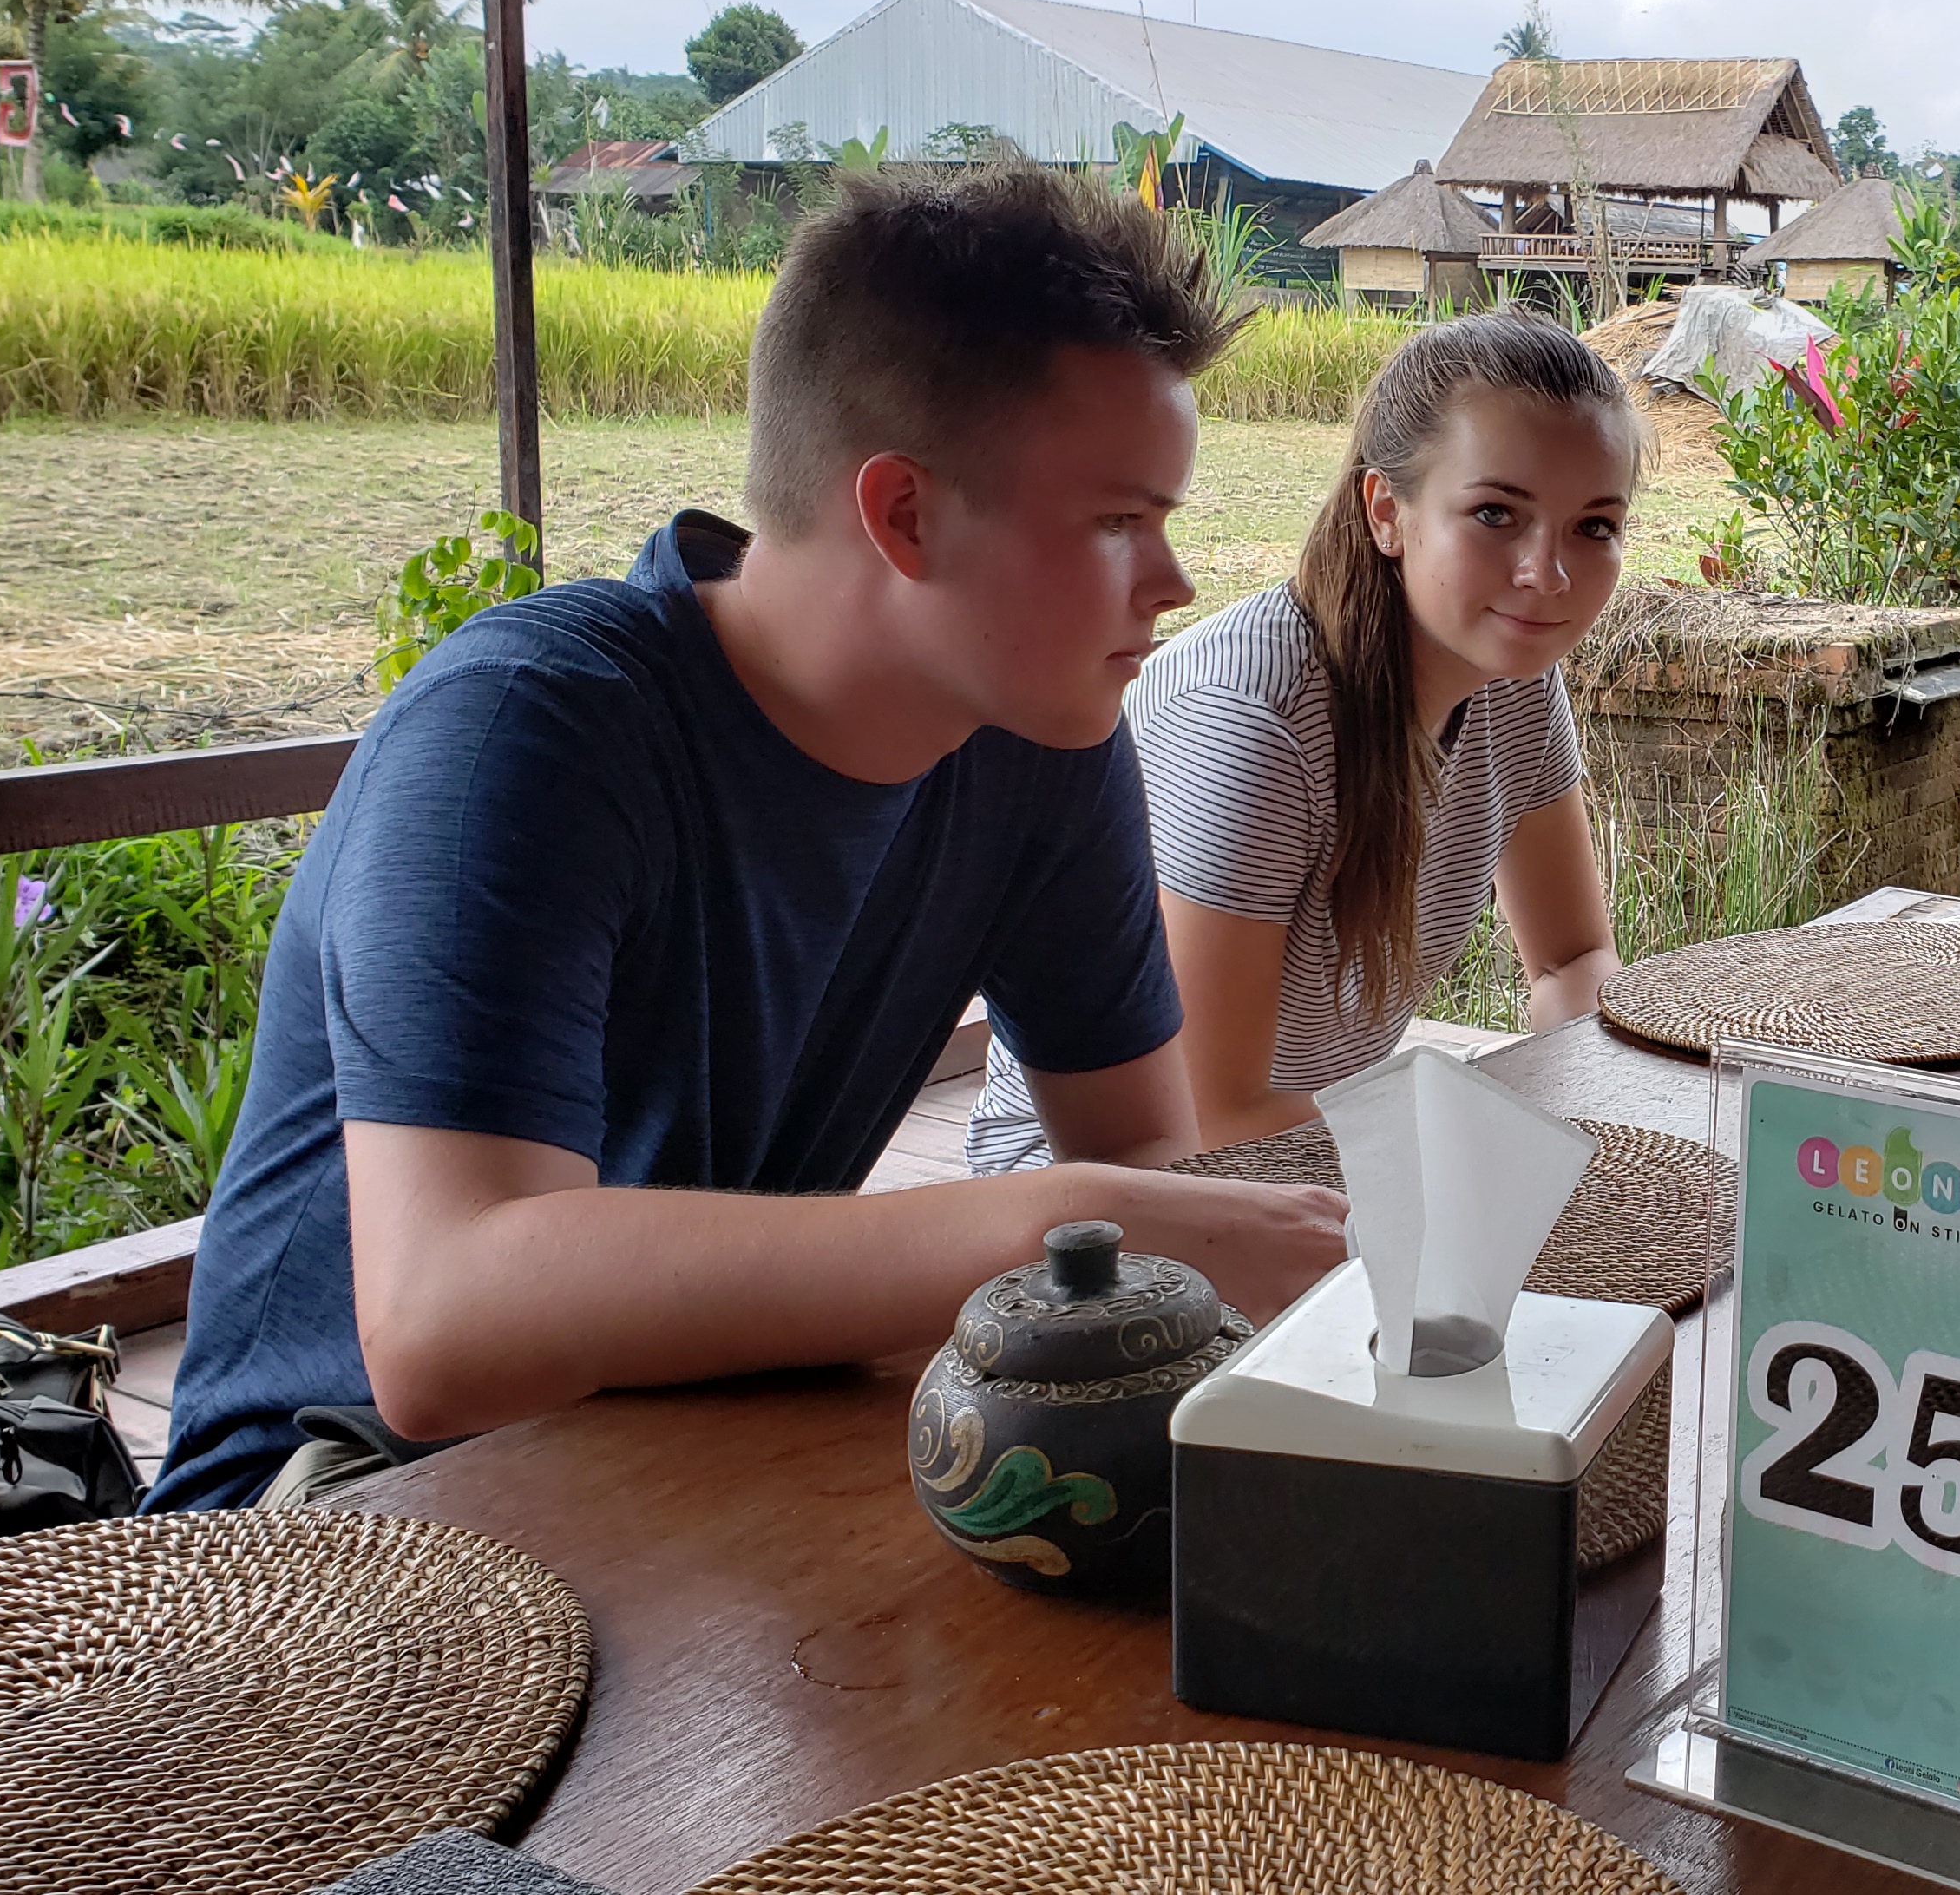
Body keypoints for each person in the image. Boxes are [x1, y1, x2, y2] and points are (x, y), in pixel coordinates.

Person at [153, 161, 1351, 1515]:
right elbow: (444, 1324)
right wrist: (1038, 1227)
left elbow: (1136, 1164)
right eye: (1118, 522)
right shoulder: (532, 730)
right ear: (902, 513)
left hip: (705, 1437)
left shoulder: (1036, 741)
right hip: (342, 1508)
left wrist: (1125, 1236)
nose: (1174, 581)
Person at [966, 311, 1633, 1169]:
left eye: (1595, 526)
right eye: (1497, 514)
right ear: (1387, 512)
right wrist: (1471, 1154)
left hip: (1315, 1157)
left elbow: (1573, 960)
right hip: (1101, 1193)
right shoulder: (1258, 727)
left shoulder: (1514, 683)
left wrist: (1597, 1107)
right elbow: (1203, 1114)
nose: (1549, 574)